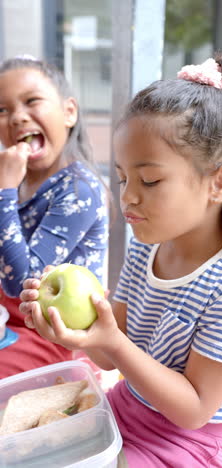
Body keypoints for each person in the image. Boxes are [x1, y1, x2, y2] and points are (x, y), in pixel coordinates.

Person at [20, 54, 222, 468]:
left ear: (220, 182)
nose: (128, 196)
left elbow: (194, 410)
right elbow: (105, 355)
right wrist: (75, 331)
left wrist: (113, 342)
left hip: (189, 443)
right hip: (127, 408)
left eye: (149, 180)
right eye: (122, 177)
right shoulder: (145, 249)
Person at [0, 56, 109, 378]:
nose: (17, 117)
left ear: (68, 112)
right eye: (2, 110)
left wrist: (3, 193)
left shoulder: (79, 190)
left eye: (31, 101)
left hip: (52, 332)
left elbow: (22, 285)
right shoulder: (15, 176)